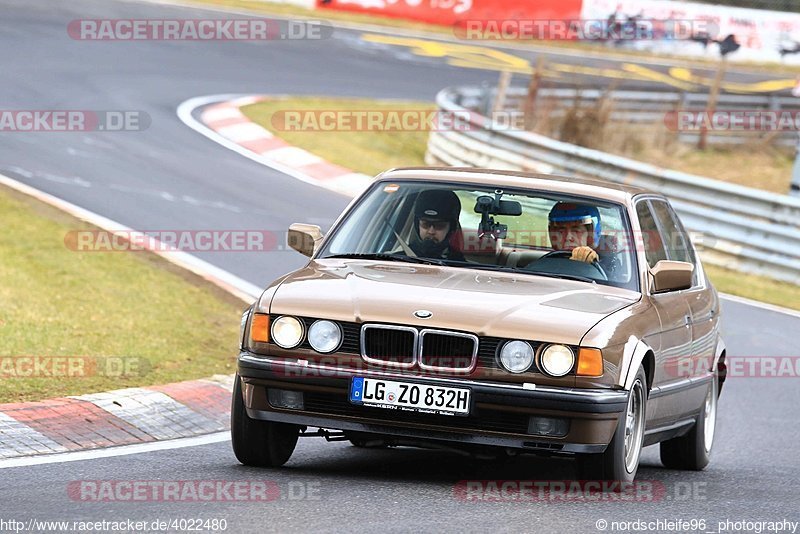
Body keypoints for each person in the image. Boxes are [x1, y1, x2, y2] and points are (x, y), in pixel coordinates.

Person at [409, 190, 466, 262]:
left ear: (451, 228)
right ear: (417, 225)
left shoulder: (460, 266)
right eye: (425, 224)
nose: (431, 231)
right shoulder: (397, 259)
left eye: (439, 226)